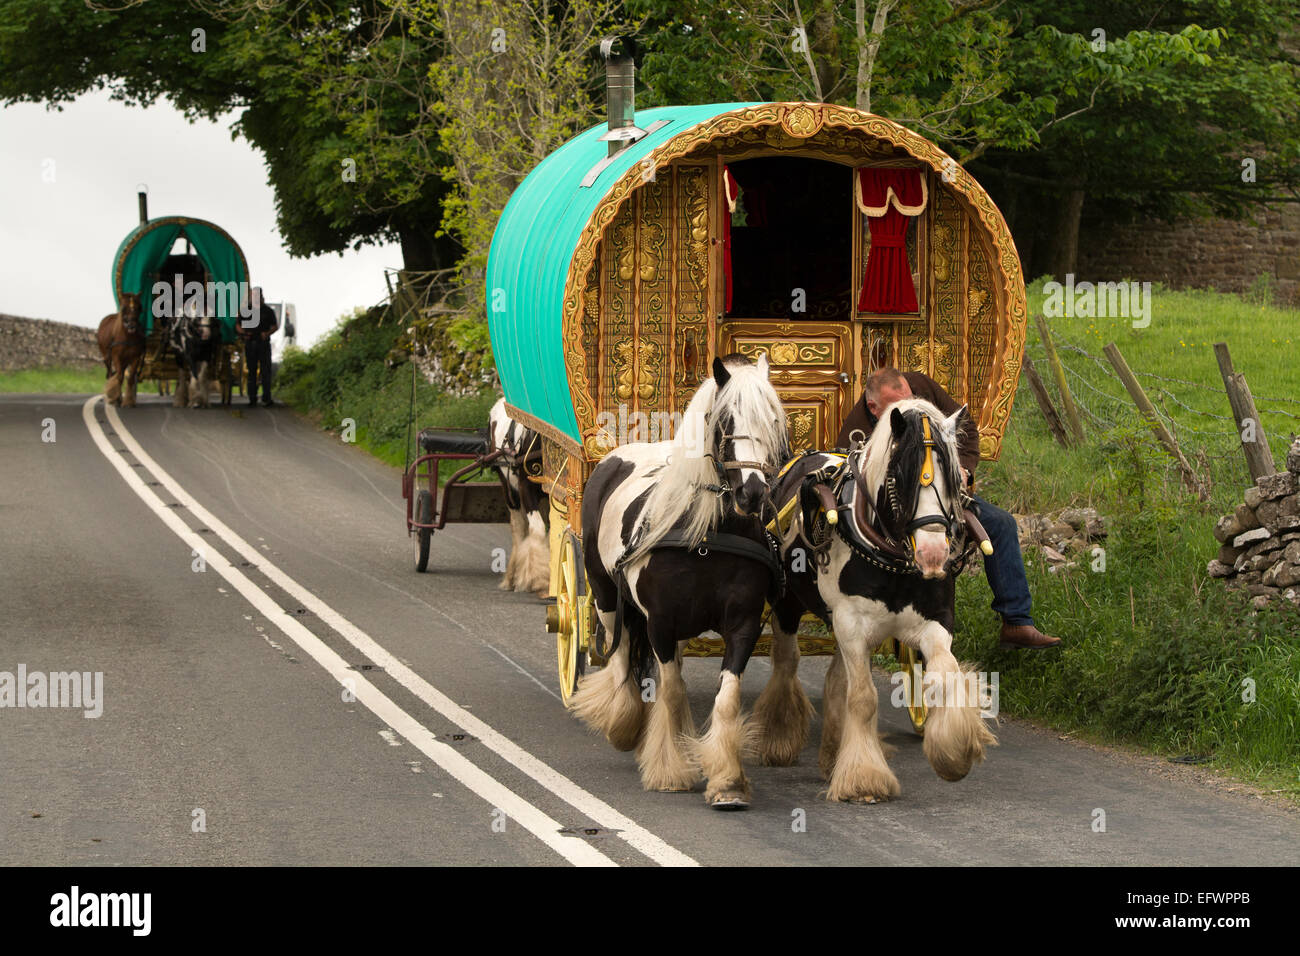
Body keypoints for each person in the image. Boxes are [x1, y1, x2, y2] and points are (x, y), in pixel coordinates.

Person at [837, 367, 1061, 650]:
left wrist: (964, 469)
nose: (910, 408)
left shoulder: (922, 388)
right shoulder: (858, 429)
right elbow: (849, 475)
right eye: (899, 406)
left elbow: (963, 424)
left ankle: (1016, 622)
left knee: (1001, 524)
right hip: (893, 512)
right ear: (873, 407)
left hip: (941, 495)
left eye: (910, 398)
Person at [240, 287, 279, 407]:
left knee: (265, 371)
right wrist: (243, 333)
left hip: (263, 344)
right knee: (251, 371)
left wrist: (267, 333)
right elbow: (238, 324)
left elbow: (274, 326)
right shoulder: (246, 310)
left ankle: (266, 397)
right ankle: (252, 398)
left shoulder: (268, 311)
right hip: (250, 343)